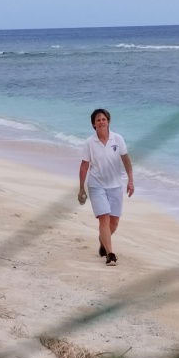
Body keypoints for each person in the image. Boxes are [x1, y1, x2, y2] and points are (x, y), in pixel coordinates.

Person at [78, 108, 134, 266]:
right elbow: (84, 165)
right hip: (96, 185)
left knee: (114, 222)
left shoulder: (118, 139)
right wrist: (81, 188)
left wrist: (130, 180)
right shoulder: (89, 143)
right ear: (93, 125)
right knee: (104, 218)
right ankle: (110, 254)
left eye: (103, 119)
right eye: (98, 120)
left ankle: (103, 240)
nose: (101, 122)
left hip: (116, 185)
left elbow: (126, 160)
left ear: (108, 121)